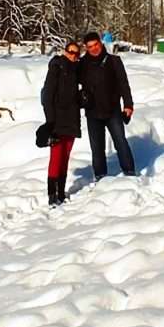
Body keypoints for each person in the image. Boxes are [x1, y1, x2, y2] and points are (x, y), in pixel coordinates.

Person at [79, 30, 136, 179]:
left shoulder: (113, 61)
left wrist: (128, 104)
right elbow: (69, 82)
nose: (94, 48)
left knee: (121, 143)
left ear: (101, 43)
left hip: (113, 111)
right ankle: (100, 176)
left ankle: (130, 172)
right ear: (86, 48)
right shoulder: (81, 65)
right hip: (92, 113)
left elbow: (124, 84)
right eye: (90, 46)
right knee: (97, 148)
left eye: (96, 44)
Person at [41, 40, 84, 206]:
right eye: (70, 52)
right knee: (56, 157)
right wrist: (50, 122)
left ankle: (60, 192)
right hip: (57, 120)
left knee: (65, 157)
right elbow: (47, 96)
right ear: (65, 51)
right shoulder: (57, 67)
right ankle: (52, 195)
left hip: (72, 120)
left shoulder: (76, 70)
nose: (73, 55)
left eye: (76, 53)